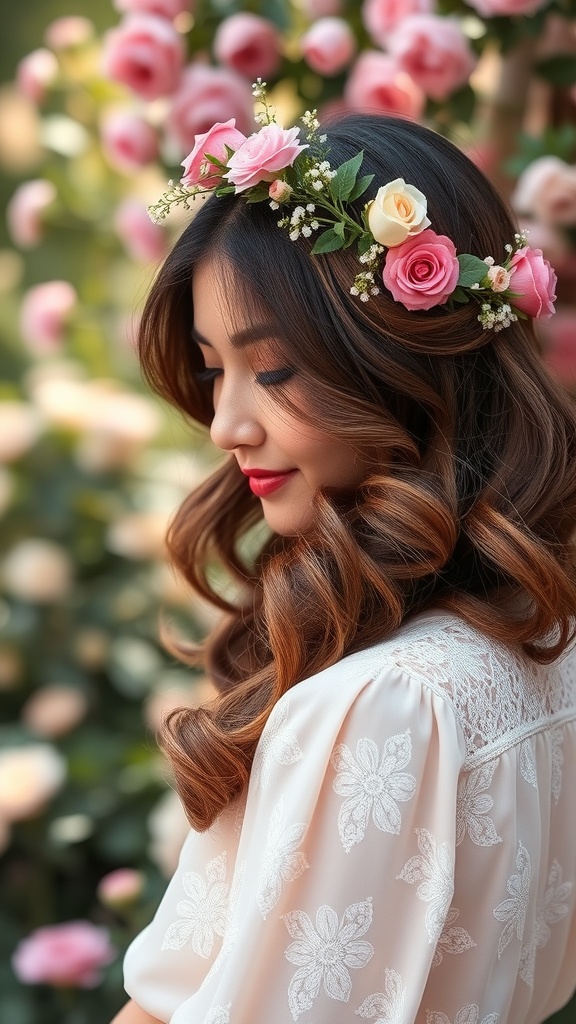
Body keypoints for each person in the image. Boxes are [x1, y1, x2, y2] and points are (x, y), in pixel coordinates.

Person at [111, 85, 576, 1024]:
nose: (226, 426)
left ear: (399, 356)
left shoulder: (387, 705)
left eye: (272, 368)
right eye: (213, 371)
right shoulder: (548, 643)